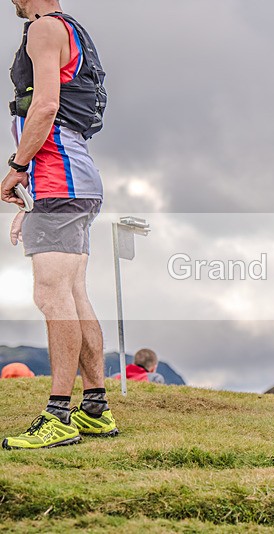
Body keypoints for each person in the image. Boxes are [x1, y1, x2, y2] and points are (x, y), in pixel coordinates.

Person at [1, 0, 116, 450]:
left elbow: (46, 106)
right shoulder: (71, 29)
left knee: (51, 295)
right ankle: (94, 409)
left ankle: (58, 414)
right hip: (76, 178)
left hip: (58, 177)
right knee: (74, 293)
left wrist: (17, 165)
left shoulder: (44, 28)